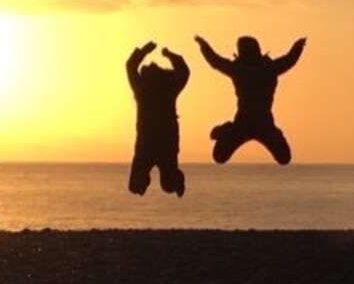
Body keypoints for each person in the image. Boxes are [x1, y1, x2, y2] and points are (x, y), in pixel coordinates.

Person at [194, 35, 306, 165]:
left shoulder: (253, 69)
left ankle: (227, 130)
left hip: (262, 122)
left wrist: (203, 45)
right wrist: (298, 46)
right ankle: (227, 130)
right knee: (219, 157)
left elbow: (216, 62)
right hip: (245, 122)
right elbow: (289, 60)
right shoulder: (260, 68)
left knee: (284, 158)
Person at [126, 41, 190, 197]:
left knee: (166, 185)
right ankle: (167, 180)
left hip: (156, 145)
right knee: (160, 185)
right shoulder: (165, 88)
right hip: (158, 144)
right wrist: (169, 55)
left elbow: (130, 66)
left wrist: (146, 50)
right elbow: (184, 72)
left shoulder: (144, 88)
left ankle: (172, 180)